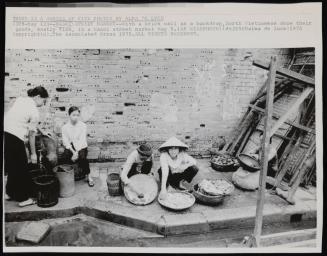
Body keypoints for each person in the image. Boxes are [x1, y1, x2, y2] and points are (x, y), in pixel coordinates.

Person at [4, 86, 49, 207]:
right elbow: (31, 135)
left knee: (12, 164)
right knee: (22, 166)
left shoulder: (21, 100)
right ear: (38, 97)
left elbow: (26, 120)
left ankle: (8, 193)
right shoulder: (34, 111)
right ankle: (23, 198)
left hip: (5, 132)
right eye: (43, 101)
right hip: (15, 136)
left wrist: (42, 130)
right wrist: (33, 154)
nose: (43, 104)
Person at [61, 106, 94, 187]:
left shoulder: (83, 126)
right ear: (69, 115)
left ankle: (88, 175)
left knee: (82, 158)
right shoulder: (65, 127)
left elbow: (82, 140)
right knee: (64, 157)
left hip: (81, 146)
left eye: (77, 115)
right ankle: (67, 177)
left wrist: (76, 153)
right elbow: (65, 141)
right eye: (73, 115)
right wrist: (73, 152)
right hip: (71, 146)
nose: (76, 117)